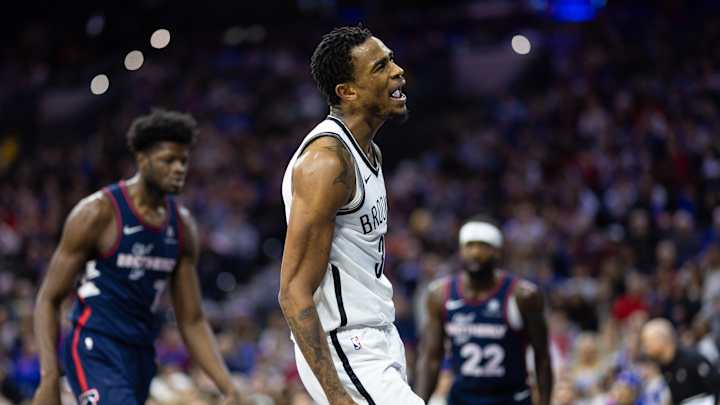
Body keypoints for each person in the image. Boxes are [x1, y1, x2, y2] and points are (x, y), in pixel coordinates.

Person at [32, 110, 241, 405]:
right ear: (142, 160)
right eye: (168, 160)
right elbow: (48, 299)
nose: (179, 168)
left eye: (183, 161)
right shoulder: (97, 213)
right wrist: (49, 376)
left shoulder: (182, 227)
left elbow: (192, 319)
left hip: (140, 354)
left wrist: (228, 386)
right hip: (95, 345)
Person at [279, 25, 422, 405]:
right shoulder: (326, 163)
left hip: (378, 335)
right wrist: (335, 393)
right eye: (380, 67)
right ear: (348, 91)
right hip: (346, 344)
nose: (397, 71)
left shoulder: (369, 151)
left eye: (391, 60)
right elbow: (293, 291)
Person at [415, 218, 553, 405]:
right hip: (462, 399)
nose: (476, 253)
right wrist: (419, 401)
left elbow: (542, 356)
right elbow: (431, 357)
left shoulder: (523, 296)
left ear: (497, 252)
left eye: (483, 246)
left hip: (510, 399)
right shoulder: (440, 295)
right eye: (470, 246)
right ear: (461, 251)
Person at [641, 318, 720, 404]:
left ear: (660, 339)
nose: (645, 347)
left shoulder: (691, 359)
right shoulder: (663, 366)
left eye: (647, 341)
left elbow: (717, 386)